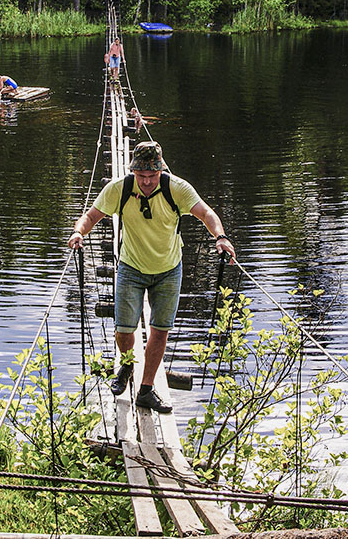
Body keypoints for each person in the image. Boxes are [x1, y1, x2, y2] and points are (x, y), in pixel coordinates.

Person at [67, 141, 236, 413]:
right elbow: (91, 216)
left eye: (152, 176)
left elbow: (206, 213)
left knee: (160, 330)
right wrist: (78, 233)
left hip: (169, 270)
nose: (146, 181)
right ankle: (127, 364)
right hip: (131, 267)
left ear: (161, 171)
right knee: (124, 330)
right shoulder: (119, 189)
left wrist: (221, 237)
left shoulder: (177, 188)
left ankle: (146, 389)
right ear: (133, 171)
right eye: (141, 175)